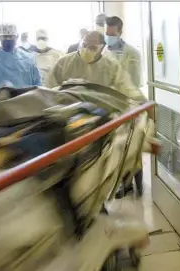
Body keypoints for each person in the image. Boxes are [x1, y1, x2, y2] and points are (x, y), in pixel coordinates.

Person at [104, 16, 144, 198]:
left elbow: (135, 82)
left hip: (129, 103)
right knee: (117, 147)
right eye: (107, 33)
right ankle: (124, 185)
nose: (108, 36)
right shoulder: (102, 53)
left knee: (134, 144)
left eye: (112, 33)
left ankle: (138, 183)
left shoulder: (133, 53)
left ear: (120, 32)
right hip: (110, 105)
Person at [46, 30, 146, 103]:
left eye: (92, 47)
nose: (86, 50)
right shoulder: (64, 62)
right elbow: (49, 86)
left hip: (98, 110)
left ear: (102, 48)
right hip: (67, 107)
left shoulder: (110, 66)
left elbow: (126, 86)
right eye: (84, 45)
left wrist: (142, 102)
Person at [0, 23, 41, 101]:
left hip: (24, 105)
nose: (8, 39)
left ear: (17, 37)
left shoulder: (28, 59)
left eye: (11, 36)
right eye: (4, 37)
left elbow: (38, 85)